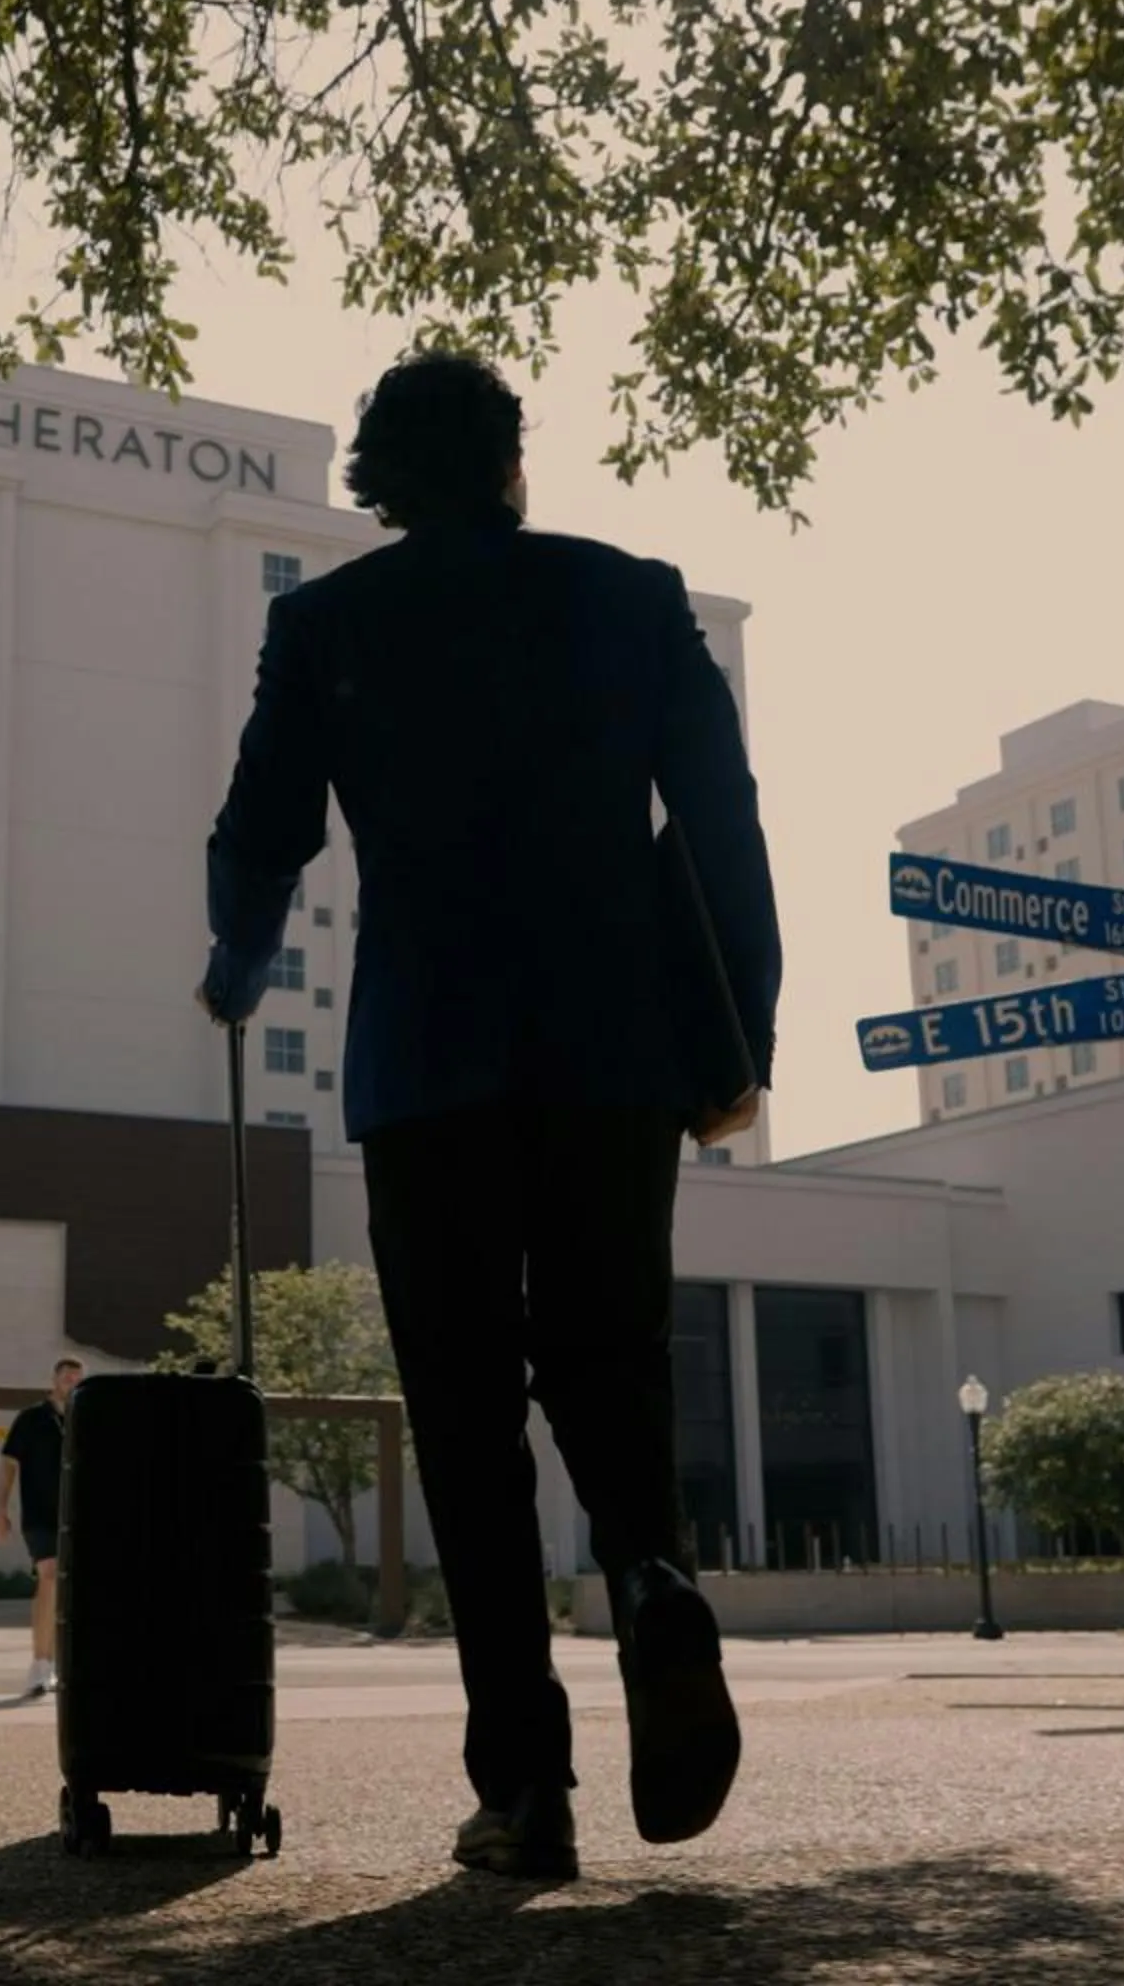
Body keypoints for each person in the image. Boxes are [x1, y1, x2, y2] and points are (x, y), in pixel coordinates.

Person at [195, 349, 781, 1880]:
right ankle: (653, 1585)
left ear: (381, 486)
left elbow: (263, 833)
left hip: (427, 1063)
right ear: (516, 466)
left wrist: (238, 964)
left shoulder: (325, 627)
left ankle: (526, 1789)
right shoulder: (634, 598)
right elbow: (725, 826)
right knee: (612, 1366)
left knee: (464, 1418)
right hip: (612, 1059)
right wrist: (736, 1044)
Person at [0, 1357, 84, 1697]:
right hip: (40, 1516)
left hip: (77, 1516)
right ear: (54, 1380)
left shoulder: (85, 1419)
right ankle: (40, 1664)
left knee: (68, 1589)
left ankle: (61, 1665)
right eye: (66, 1376)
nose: (71, 1381)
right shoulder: (31, 1419)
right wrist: (0, 1510)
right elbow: (7, 1466)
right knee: (48, 1576)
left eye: (77, 1377)